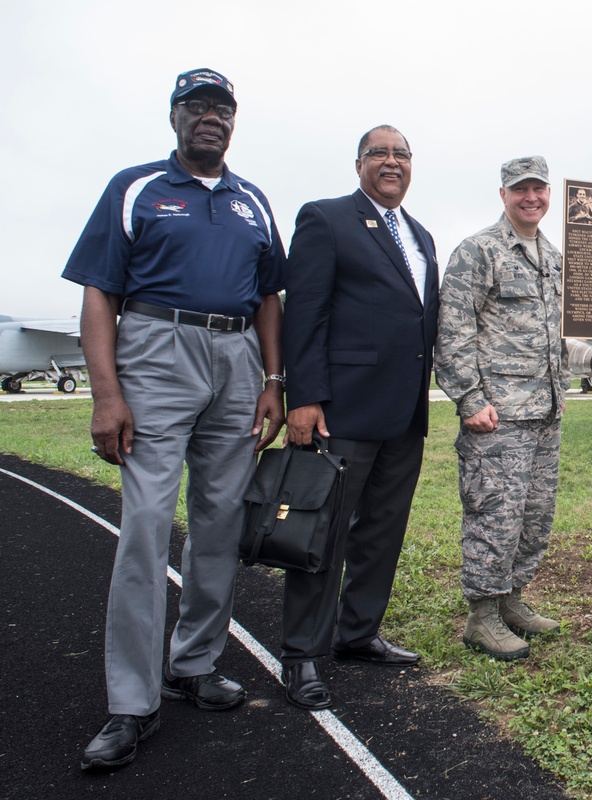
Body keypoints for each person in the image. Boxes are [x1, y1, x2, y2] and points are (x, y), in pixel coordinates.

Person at [63, 68, 286, 770]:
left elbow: (270, 297)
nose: (209, 118)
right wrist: (107, 394)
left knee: (220, 520)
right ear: (175, 118)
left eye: (221, 108)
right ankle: (130, 702)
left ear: (234, 120)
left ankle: (193, 663)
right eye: (197, 107)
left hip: (238, 357)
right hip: (157, 350)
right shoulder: (136, 189)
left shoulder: (253, 202)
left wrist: (273, 378)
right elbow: (100, 293)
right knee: (148, 524)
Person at [280, 125, 438, 709]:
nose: (391, 162)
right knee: (322, 533)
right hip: (341, 411)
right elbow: (306, 314)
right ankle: (301, 654)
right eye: (380, 153)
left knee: (381, 533)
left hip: (404, 415)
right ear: (358, 164)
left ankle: (358, 634)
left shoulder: (420, 235)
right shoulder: (326, 219)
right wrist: (304, 395)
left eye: (401, 154)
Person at [435, 156, 569, 661]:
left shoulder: (552, 258)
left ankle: (512, 599)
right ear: (504, 194)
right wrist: (470, 400)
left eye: (539, 188)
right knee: (495, 515)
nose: (530, 197)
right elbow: (453, 331)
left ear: (549, 193)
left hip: (546, 413)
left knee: (534, 517)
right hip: (498, 418)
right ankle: (481, 616)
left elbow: (556, 336)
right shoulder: (478, 251)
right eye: (521, 189)